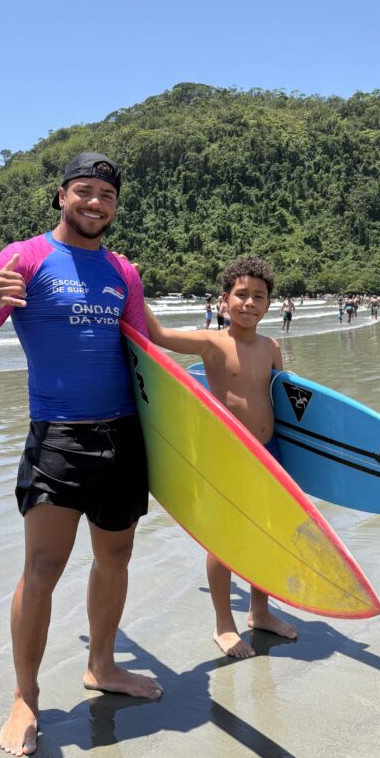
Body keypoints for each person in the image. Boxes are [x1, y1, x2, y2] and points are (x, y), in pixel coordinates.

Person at [0, 151, 162, 758]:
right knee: (42, 569)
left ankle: (102, 665)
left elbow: (145, 354)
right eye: (85, 191)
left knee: (115, 556)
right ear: (62, 195)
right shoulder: (25, 257)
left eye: (107, 195)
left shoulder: (124, 271)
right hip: (58, 438)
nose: (96, 203)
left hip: (122, 437)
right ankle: (25, 695)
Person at [144, 256, 297, 658]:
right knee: (225, 540)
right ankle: (223, 624)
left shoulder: (272, 347)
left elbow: (284, 401)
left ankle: (259, 612)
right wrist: (131, 282)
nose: (249, 303)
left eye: (258, 297)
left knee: (269, 533)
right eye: (241, 295)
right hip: (230, 454)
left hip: (271, 452)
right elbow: (157, 335)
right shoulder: (212, 342)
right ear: (224, 300)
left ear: (269, 304)